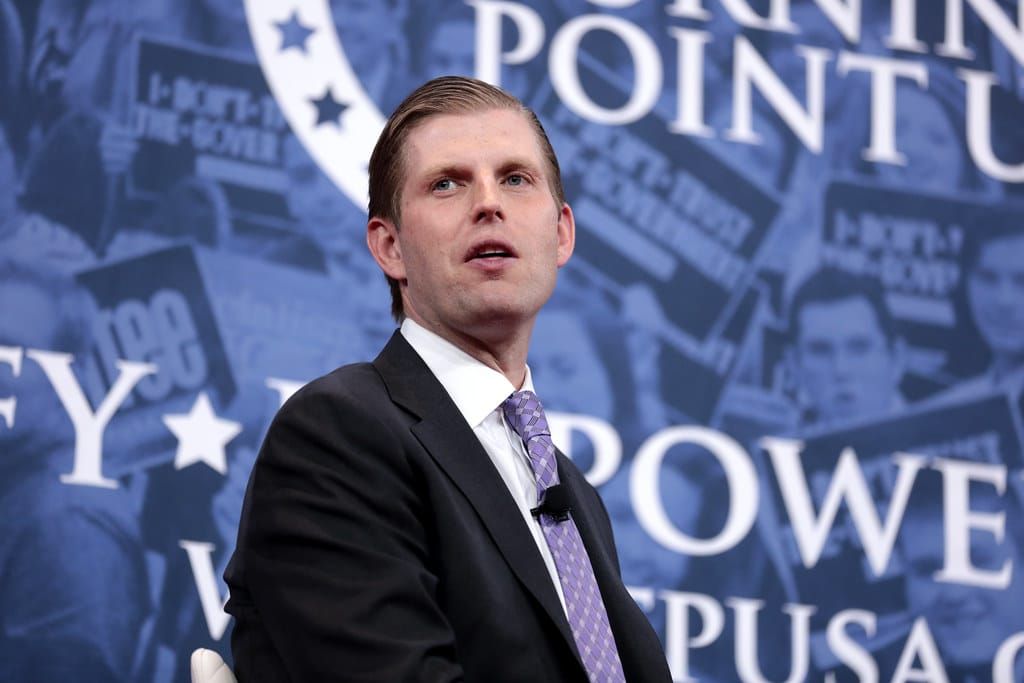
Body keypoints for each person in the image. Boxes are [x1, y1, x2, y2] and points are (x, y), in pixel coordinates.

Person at [225, 76, 672, 682]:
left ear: (561, 234)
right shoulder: (339, 434)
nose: (489, 203)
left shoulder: (574, 493)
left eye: (515, 179)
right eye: (447, 184)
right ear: (390, 247)